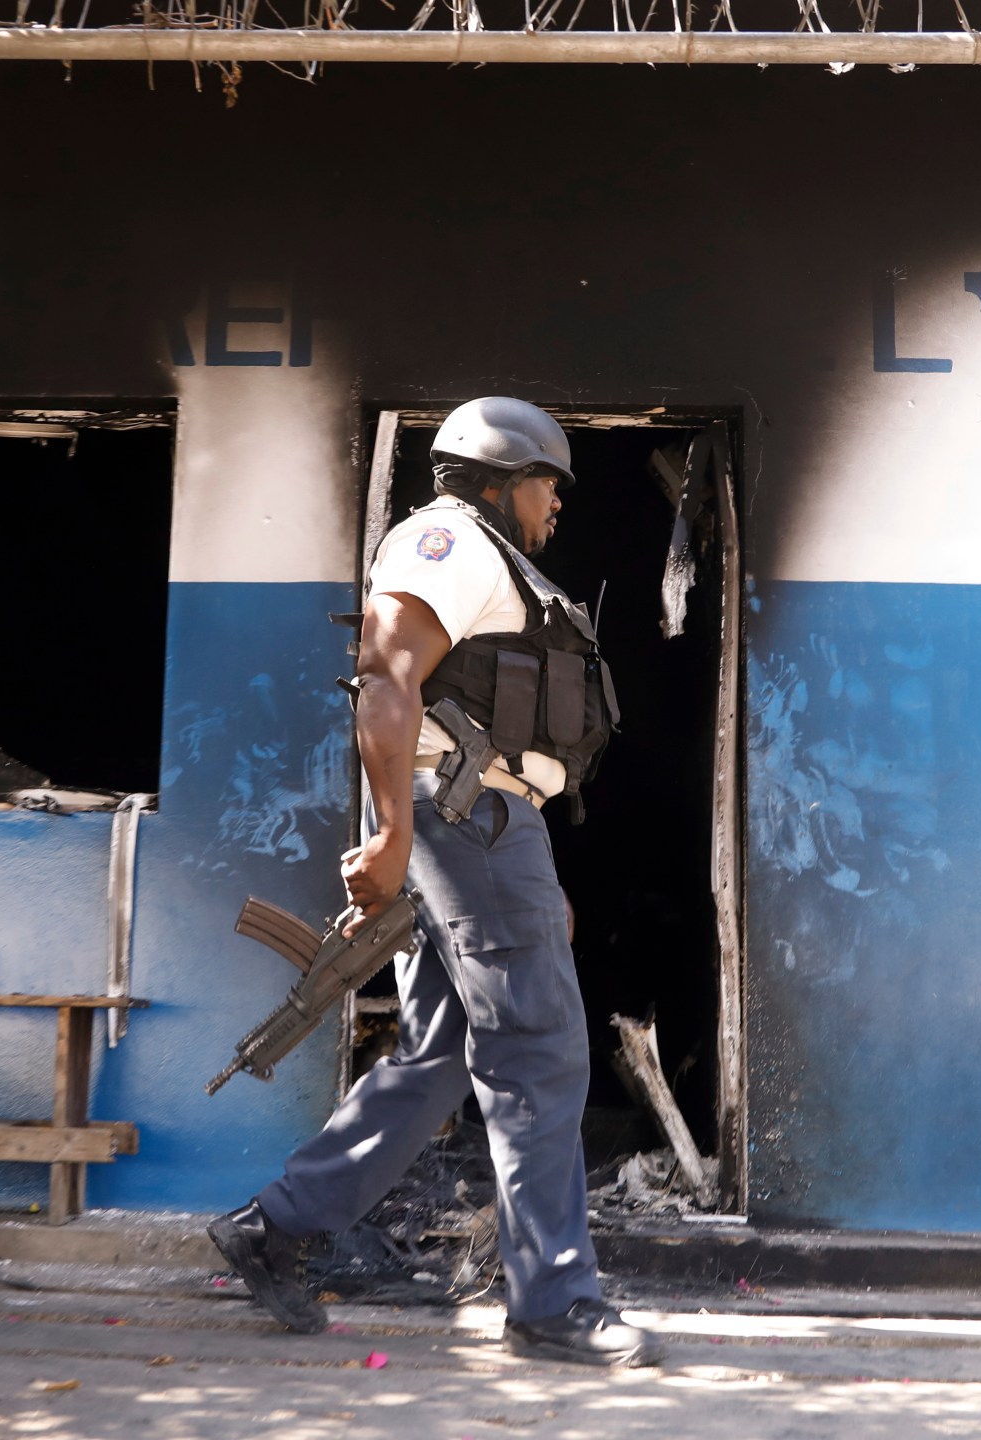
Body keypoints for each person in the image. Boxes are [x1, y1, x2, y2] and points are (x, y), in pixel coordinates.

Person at [209, 397, 659, 1368]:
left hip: (487, 831)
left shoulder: (498, 563)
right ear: (498, 480)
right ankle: (552, 1301)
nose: (558, 505)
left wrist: (514, 864)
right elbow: (385, 679)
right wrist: (393, 839)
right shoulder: (446, 543)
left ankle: (277, 1227)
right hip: (459, 822)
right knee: (537, 1051)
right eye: (548, 483)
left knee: (442, 1054)